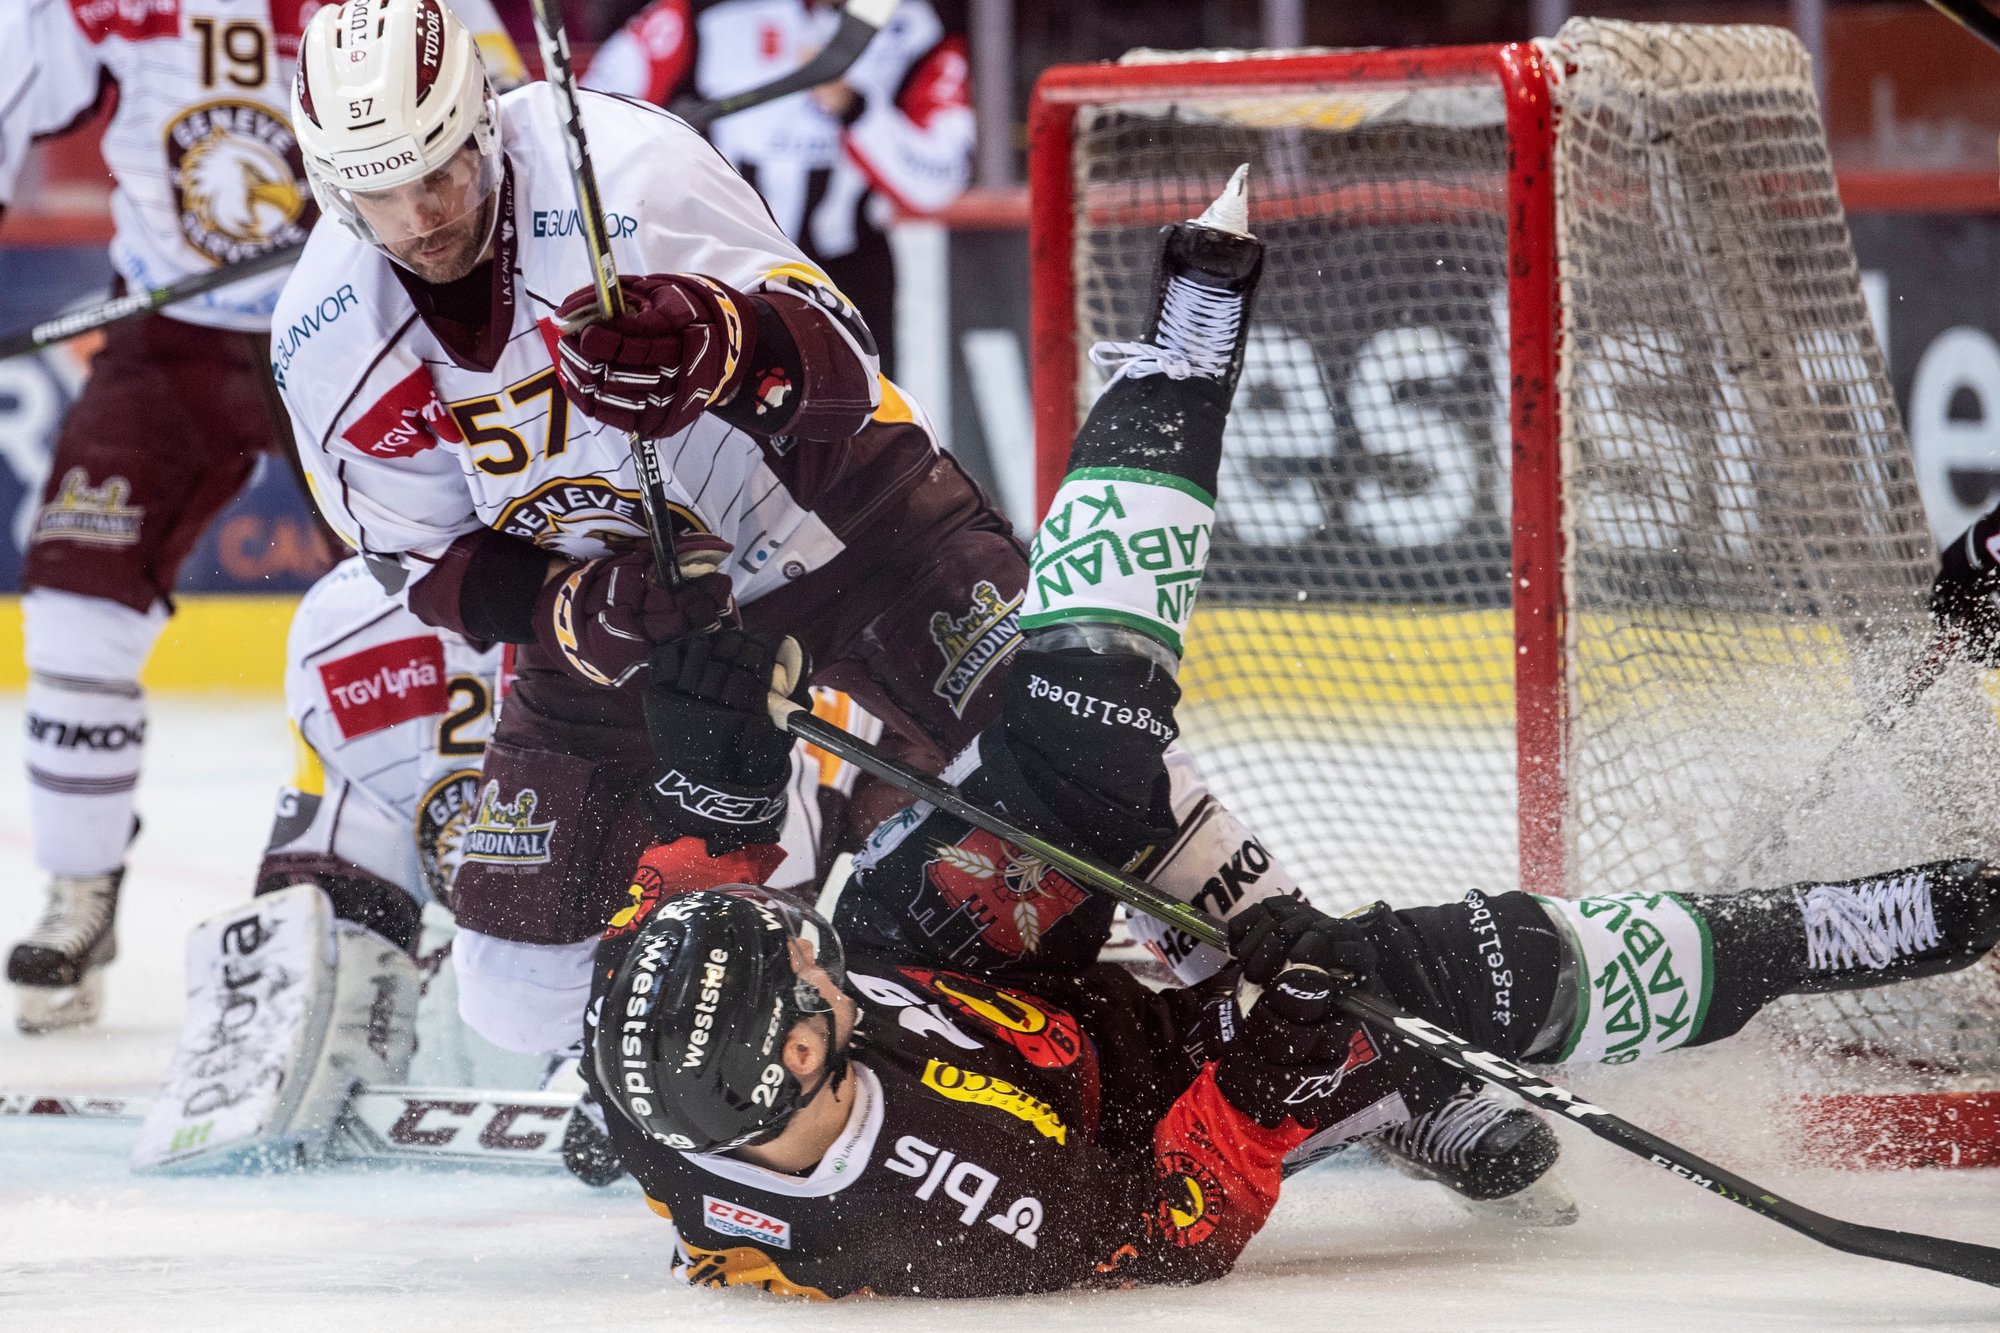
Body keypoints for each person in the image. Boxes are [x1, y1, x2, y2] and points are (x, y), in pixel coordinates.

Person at [572, 188, 2000, 1298]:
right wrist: (1279, 1057)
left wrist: (715, 764)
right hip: (1148, 1102)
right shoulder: (948, 1218)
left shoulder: (669, 1047)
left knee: (1079, 734)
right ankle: (1864, 927)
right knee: (1445, 971)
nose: (811, 948)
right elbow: (1174, 1231)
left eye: (790, 943)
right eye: (810, 977)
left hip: (957, 969)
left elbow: (691, 892)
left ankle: (1182, 351)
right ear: (802, 1073)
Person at [271, 0, 1313, 1081]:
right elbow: (420, 562)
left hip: (845, 523)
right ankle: (790, 842)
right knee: (514, 993)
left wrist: (720, 345)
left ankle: (1316, 1010)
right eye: (377, 195)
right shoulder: (323, 335)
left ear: (483, 124)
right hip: (630, 623)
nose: (419, 218)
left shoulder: (623, 169)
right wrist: (576, 611)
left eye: (438, 174)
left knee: (1083, 746)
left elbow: (843, 364)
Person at [0, 0, 523, 1035]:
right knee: (71, 600)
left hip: (358, 315)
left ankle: (486, 886)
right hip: (171, 329)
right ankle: (78, 890)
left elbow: (503, 112)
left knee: (445, 598)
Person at [129, 553, 882, 1171]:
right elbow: (340, 855)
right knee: (478, 986)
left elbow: (778, 835)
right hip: (510, 982)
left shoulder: (697, 580)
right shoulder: (351, 619)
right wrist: (307, 994)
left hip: (733, 938)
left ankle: (651, 1040)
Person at [581, 0, 974, 378]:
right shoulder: (699, 11)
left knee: (863, 433)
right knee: (716, 437)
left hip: (849, 274)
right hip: (719, 269)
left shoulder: (920, 25)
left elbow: (939, 179)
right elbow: (590, 119)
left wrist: (855, 109)